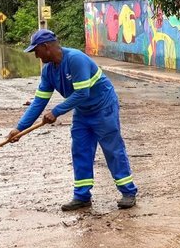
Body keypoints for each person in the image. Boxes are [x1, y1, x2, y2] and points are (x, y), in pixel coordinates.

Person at [8, 29, 138, 211]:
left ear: (46, 47)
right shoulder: (48, 71)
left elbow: (82, 93)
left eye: (36, 51)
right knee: (80, 150)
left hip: (103, 107)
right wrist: (20, 128)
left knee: (112, 149)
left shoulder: (75, 59)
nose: (35, 55)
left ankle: (128, 192)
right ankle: (82, 196)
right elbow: (39, 101)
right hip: (83, 112)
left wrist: (57, 111)